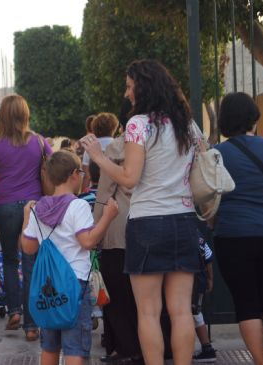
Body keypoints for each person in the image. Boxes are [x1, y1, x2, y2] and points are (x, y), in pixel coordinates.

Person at [82, 59, 203, 365]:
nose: (126, 94)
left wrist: (98, 156)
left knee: (148, 312)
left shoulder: (139, 125)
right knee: (180, 310)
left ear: (143, 88)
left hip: (148, 223)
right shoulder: (187, 124)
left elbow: (129, 178)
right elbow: (199, 163)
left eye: (129, 86)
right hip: (184, 220)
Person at [212, 92, 263, 365]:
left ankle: (261, 362)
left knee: (246, 302)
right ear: (253, 119)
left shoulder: (216, 154)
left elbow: (207, 198)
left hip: (233, 234)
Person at [21, 150, 119, 365]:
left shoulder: (39, 208)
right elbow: (87, 241)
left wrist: (27, 217)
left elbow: (28, 248)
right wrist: (108, 217)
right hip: (75, 283)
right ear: (74, 174)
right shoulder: (78, 205)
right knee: (75, 347)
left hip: (48, 287)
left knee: (49, 346)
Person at [0, 94, 52, 341]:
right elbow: (54, 169)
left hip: (6, 207)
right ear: (25, 114)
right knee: (30, 263)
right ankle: (31, 326)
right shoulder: (40, 142)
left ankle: (13, 311)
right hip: (33, 207)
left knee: (10, 260)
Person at [93, 121, 143, 365]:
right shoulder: (167, 139)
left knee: (117, 295)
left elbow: (104, 191)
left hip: (119, 227)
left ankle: (125, 348)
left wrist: (96, 228)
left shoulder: (117, 147)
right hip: (152, 223)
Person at [192, 232, 216, 363]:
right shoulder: (198, 237)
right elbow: (208, 258)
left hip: (187, 281)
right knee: (196, 313)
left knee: (187, 315)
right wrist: (210, 278)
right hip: (199, 281)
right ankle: (207, 348)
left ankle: (206, 349)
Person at [82, 113, 120, 192]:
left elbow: (86, 176)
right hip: (114, 190)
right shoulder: (119, 146)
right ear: (113, 127)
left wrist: (83, 194)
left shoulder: (89, 146)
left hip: (94, 191)